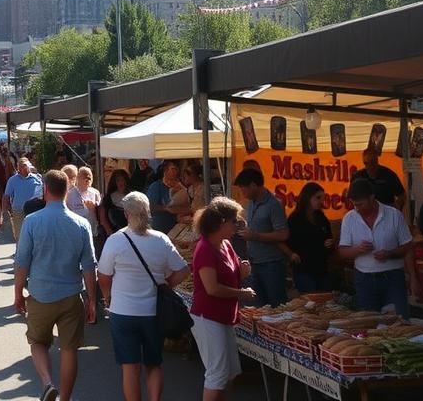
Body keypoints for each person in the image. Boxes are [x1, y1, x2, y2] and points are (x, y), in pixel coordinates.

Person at [13, 170, 98, 401]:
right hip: (71, 295)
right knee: (69, 350)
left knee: (38, 342)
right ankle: (66, 398)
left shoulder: (31, 221)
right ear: (67, 191)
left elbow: (22, 262)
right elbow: (89, 266)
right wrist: (92, 299)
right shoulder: (81, 224)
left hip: (40, 294)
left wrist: (18, 292)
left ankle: (48, 382)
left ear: (45, 190)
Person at [97, 191, 191, 401]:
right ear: (147, 212)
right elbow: (184, 270)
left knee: (130, 368)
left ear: (126, 213)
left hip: (122, 312)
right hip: (152, 312)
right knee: (154, 363)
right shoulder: (161, 239)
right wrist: (165, 286)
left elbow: (103, 276)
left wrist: (107, 296)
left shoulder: (115, 241)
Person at [189, 197, 258, 401]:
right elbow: (212, 288)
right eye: (234, 220)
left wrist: (243, 272)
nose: (236, 225)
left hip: (223, 316)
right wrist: (242, 293)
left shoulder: (225, 244)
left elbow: (233, 273)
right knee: (217, 375)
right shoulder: (204, 249)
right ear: (221, 222)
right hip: (208, 317)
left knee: (229, 373)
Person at [338, 180, 422, 315]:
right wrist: (357, 250)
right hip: (364, 279)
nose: (357, 208)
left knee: (399, 322)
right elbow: (342, 252)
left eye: (360, 204)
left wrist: (391, 255)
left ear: (372, 198)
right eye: (355, 205)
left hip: (393, 278)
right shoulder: (349, 219)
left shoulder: (394, 215)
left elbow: (408, 247)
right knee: (369, 325)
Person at [232, 168, 289, 306]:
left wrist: (256, 236)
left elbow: (283, 234)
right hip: (254, 262)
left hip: (271, 264)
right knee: (258, 307)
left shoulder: (273, 204)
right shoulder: (251, 203)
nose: (243, 193)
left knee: (276, 306)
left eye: (244, 189)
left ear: (253, 185)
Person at [284, 182, 334, 293]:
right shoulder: (295, 219)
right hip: (304, 269)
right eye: (318, 197)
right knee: (309, 303)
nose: (321, 201)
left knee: (324, 303)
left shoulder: (321, 218)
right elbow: (288, 241)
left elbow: (328, 237)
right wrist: (291, 254)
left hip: (322, 268)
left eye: (323, 198)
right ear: (308, 197)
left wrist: (329, 243)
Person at [350, 145, 406, 210]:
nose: (370, 166)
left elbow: (402, 195)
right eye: (366, 163)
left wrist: (394, 208)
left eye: (373, 162)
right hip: (365, 213)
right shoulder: (358, 177)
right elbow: (351, 197)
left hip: (385, 214)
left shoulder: (389, 175)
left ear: (377, 161)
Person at [4, 157, 44, 243]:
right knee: (19, 235)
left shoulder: (37, 178)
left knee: (34, 234)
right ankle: (19, 252)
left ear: (29, 166)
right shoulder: (13, 180)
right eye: (19, 166)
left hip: (34, 210)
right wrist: (5, 209)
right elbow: (6, 195)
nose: (21, 168)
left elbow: (43, 193)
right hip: (18, 211)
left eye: (24, 165)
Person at [65, 166, 102, 243]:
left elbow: (100, 211)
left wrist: (95, 207)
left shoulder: (95, 193)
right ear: (78, 178)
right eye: (85, 176)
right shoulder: (69, 194)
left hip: (92, 232)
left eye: (89, 177)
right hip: (76, 233)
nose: (88, 179)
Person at [146, 162, 181, 234]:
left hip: (175, 228)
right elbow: (150, 207)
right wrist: (166, 208)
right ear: (165, 170)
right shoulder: (156, 186)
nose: (176, 172)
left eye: (177, 169)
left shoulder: (179, 186)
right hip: (159, 229)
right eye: (173, 169)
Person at [101, 170, 131, 236]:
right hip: (114, 234)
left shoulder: (133, 196)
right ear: (114, 182)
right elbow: (103, 219)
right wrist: (110, 232)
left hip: (131, 234)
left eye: (123, 179)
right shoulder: (108, 198)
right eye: (118, 180)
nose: (121, 182)